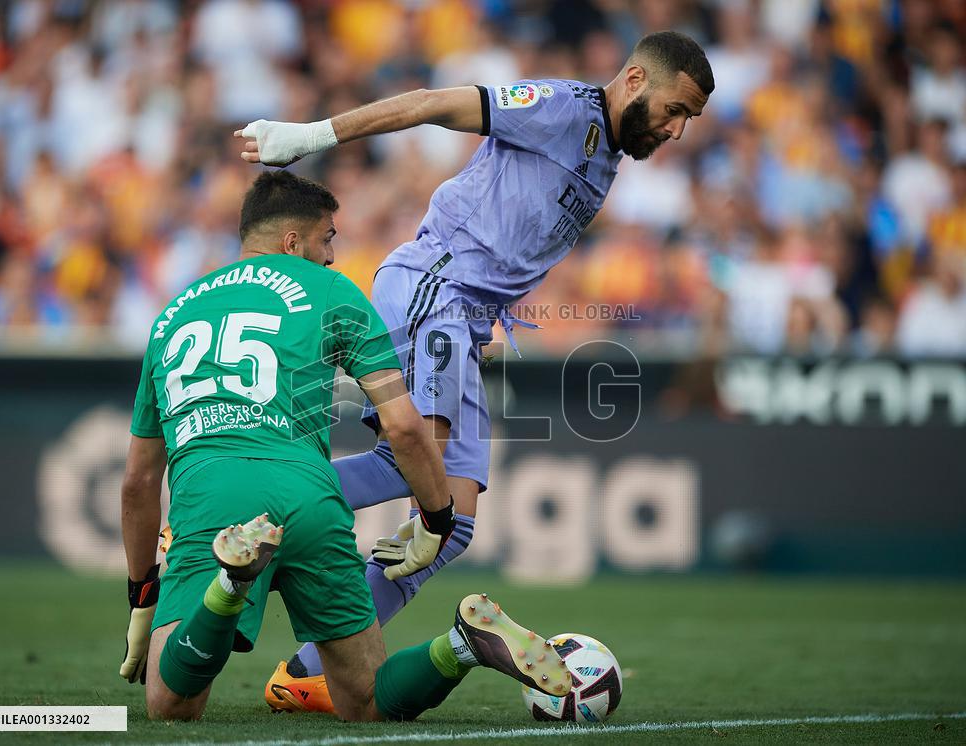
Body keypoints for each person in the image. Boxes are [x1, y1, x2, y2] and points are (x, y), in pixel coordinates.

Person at [235, 30, 713, 712]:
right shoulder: (561, 107)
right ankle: (247, 509)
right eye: (676, 109)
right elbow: (431, 102)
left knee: (449, 525)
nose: (677, 128)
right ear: (635, 79)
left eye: (689, 119)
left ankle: (306, 670)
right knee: (416, 463)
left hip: (466, 317)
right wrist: (310, 134)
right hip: (436, 286)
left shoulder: (607, 155)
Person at [118, 171, 570, 721]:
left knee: (171, 705)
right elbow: (405, 428)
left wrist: (143, 594)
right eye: (328, 238)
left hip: (214, 498)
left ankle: (229, 585)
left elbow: (138, 482)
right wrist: (436, 518)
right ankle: (460, 647)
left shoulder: (172, 314)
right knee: (367, 701)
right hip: (312, 499)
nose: (333, 254)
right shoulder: (334, 291)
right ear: (293, 242)